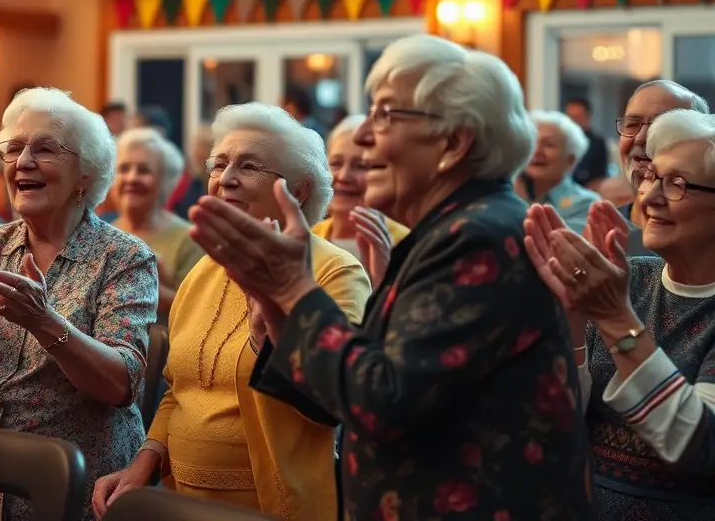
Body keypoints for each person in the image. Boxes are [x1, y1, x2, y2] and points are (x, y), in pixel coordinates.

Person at [190, 35, 593, 519]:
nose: (361, 138)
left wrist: (293, 288)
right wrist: (274, 315)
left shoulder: (478, 236)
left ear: (454, 143)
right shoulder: (447, 229)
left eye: (385, 115)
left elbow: (382, 402)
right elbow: (343, 395)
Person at [93, 103, 371, 521]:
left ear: (298, 190)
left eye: (250, 165)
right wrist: (146, 459)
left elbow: (336, 401)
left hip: (274, 507)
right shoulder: (205, 270)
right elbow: (177, 388)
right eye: (219, 164)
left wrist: (266, 336)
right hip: (179, 503)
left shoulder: (335, 271)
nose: (226, 178)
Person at [0, 87, 158, 521]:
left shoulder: (123, 257)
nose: (23, 162)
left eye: (45, 149)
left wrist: (43, 321)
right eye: (13, 149)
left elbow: (121, 385)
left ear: (85, 174)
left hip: (71, 491)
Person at [525, 107, 715, 518]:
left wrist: (613, 316)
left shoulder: (616, 291)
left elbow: (699, 446)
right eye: (649, 177)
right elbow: (556, 427)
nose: (649, 196)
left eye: (677, 183)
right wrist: (573, 321)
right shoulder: (632, 277)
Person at [110, 127, 203, 317]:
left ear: (165, 181)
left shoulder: (190, 239)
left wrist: (160, 292)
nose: (132, 178)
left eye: (144, 170)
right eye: (123, 169)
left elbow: (201, 314)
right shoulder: (100, 234)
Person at [614, 81, 708, 256]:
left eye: (660, 127)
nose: (640, 138)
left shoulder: (706, 241)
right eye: (632, 125)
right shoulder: (599, 231)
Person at [313, 114, 408, 280]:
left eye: (360, 166)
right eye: (336, 163)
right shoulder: (307, 239)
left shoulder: (406, 244)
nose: (343, 176)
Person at [523, 110, 601, 232]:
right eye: (533, 142)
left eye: (549, 145)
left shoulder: (586, 204)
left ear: (570, 160)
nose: (537, 151)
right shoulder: (512, 193)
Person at [564, 97, 610, 189]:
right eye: (569, 117)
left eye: (577, 117)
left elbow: (600, 179)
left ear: (587, 116)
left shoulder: (597, 144)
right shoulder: (561, 141)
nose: (572, 122)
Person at [173, 124, 214, 219]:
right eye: (196, 146)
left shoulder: (221, 185)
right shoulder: (194, 182)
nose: (197, 152)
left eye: (205, 147)